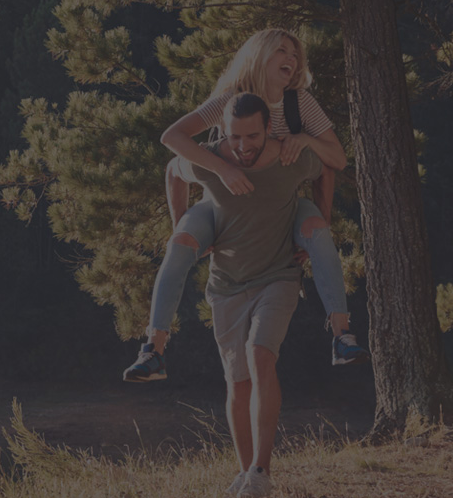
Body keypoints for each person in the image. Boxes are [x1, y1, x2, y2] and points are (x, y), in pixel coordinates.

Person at [124, 28, 368, 384]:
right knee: (177, 246)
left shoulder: (299, 102)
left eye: (295, 54)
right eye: (282, 51)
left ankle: (342, 336)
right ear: (259, 56)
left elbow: (337, 159)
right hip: (221, 205)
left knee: (319, 233)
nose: (291, 59)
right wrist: (220, 169)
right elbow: (172, 139)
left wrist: (302, 139)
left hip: (283, 204)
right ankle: (153, 349)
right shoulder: (229, 102)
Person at [158, 92, 327, 498]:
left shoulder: (288, 157)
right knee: (237, 382)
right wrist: (183, 225)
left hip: (278, 276)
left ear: (267, 129)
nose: (243, 146)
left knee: (260, 355)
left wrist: (321, 218)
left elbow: (326, 166)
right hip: (226, 284)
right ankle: (245, 471)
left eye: (252, 136)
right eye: (235, 137)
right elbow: (173, 169)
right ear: (224, 132)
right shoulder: (213, 161)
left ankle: (261, 471)